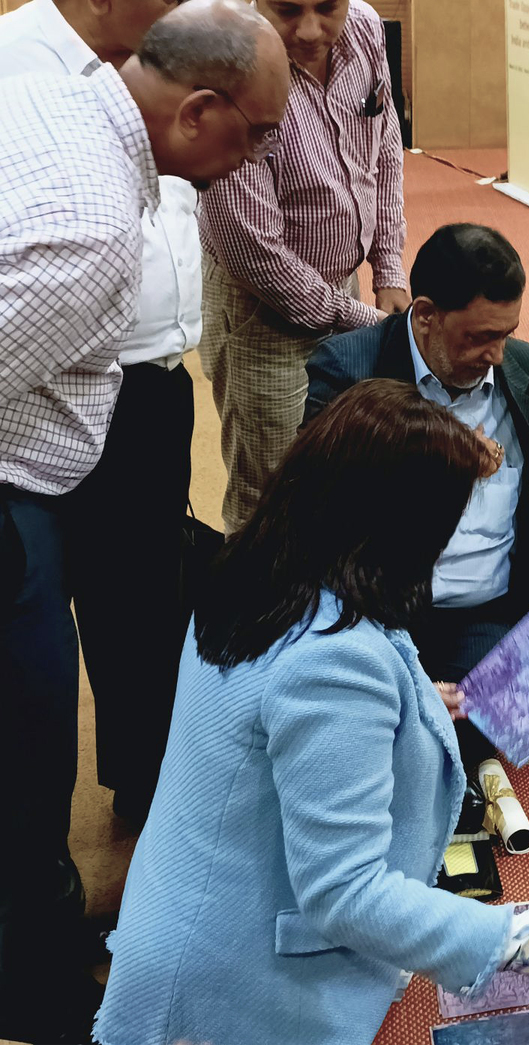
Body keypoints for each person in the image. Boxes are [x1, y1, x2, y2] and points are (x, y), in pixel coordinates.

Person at [95, 380, 529, 1045]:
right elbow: (346, 892)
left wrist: (407, 697)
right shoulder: (335, 664)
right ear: (401, 530)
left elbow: (268, 706)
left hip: (190, 906)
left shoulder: (257, 566)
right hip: (231, 984)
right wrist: (522, 940)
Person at [0, 3, 289, 1038]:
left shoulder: (60, 99)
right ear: (198, 112)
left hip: (34, 472)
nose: (257, 159)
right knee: (30, 742)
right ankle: (32, 984)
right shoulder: (94, 235)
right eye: (256, 134)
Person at [0, 0, 206, 830]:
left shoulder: (173, 59)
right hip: (44, 390)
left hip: (157, 376)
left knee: (145, 600)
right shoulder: (17, 57)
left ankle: (146, 784)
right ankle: (37, 859)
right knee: (38, 627)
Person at [304, 223, 529, 771]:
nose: (497, 354)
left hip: (485, 608)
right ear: (425, 315)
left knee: (474, 729)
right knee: (367, 730)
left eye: (507, 334)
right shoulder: (348, 370)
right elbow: (316, 504)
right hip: (379, 609)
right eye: (480, 337)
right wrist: (440, 453)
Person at [198, 0, 409, 532]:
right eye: (288, 9)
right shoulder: (227, 68)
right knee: (270, 494)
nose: (312, 30)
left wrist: (388, 267)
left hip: (343, 287)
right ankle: (259, 590)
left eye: (327, 6)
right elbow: (255, 252)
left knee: (343, 461)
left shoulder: (364, 28)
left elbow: (385, 143)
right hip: (261, 310)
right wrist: (364, 320)